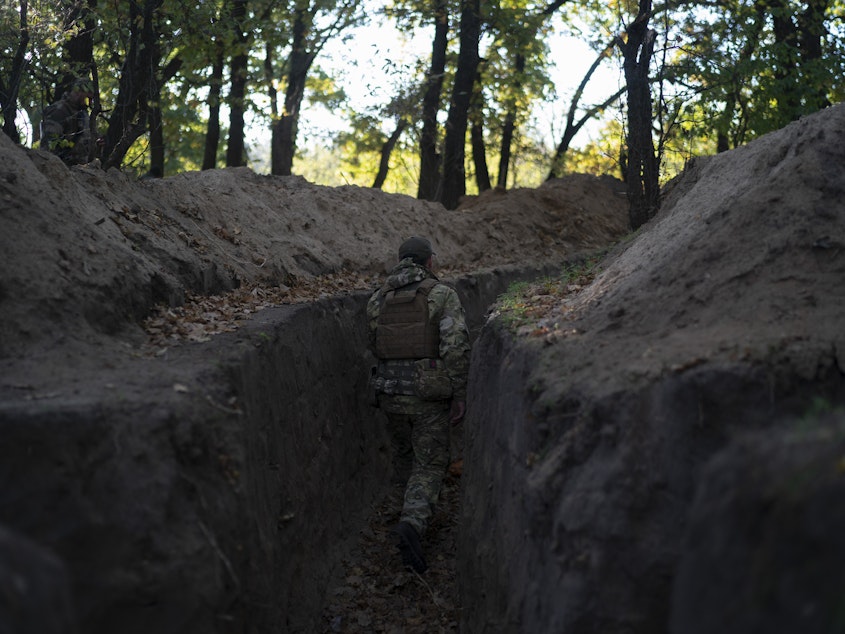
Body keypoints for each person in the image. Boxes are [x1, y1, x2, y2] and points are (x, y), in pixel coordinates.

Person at [367, 236, 471, 573]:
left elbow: (374, 343)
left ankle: (403, 511)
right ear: (428, 262)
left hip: (389, 393)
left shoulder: (377, 299)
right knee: (429, 464)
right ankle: (412, 523)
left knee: (405, 457)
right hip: (427, 395)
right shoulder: (441, 294)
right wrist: (459, 393)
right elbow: (455, 347)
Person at [39, 78, 96, 165]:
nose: (89, 102)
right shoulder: (59, 111)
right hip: (60, 169)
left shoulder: (82, 114)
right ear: (78, 92)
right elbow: (48, 148)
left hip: (78, 171)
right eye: (88, 97)